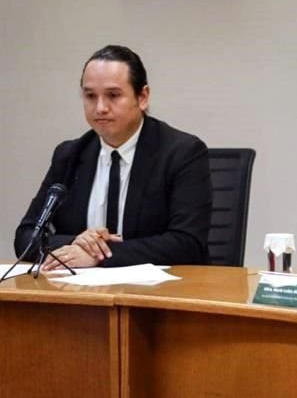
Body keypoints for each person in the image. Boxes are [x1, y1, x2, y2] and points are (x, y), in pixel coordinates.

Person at [14, 45, 212, 269]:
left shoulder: (182, 152)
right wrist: (76, 243)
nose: (100, 107)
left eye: (113, 95)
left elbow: (187, 243)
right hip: (80, 294)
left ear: (143, 97)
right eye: (90, 96)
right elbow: (26, 236)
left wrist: (99, 256)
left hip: (159, 294)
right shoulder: (69, 155)